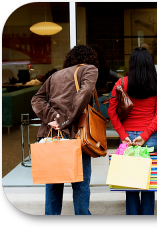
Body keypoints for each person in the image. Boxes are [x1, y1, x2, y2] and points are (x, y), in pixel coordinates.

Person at [31, 45, 99, 215]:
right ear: (90, 58)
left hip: (51, 135)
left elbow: (37, 99)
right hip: (76, 134)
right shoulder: (89, 69)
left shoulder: (55, 76)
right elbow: (85, 93)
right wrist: (64, 120)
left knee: (53, 184)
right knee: (81, 184)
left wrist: (53, 117)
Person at [108, 47, 157, 215]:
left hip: (127, 139)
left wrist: (123, 135)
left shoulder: (121, 83)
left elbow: (111, 112)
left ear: (131, 63)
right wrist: (145, 135)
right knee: (149, 183)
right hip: (150, 138)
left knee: (130, 182)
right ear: (150, 63)